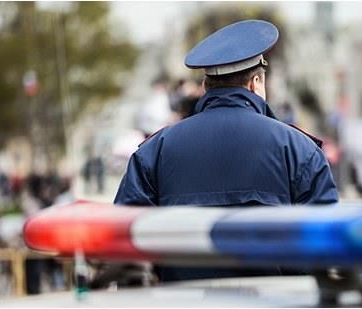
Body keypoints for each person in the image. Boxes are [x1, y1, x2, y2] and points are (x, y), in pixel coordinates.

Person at [114, 20, 338, 282]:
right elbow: (327, 244)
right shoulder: (300, 150)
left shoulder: (154, 151)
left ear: (206, 87)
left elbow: (123, 241)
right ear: (255, 83)